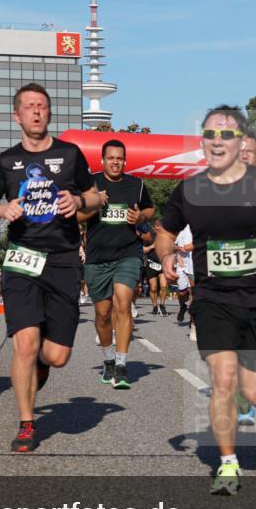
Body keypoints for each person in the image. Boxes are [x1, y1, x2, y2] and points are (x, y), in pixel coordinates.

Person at [157, 105, 256, 495]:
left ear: (242, 143)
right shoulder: (190, 190)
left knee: (253, 393)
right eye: (210, 135)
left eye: (226, 135)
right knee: (221, 379)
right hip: (213, 299)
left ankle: (241, 395)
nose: (217, 141)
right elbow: (165, 232)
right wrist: (166, 255)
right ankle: (228, 463)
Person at [0, 82, 103, 453]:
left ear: (48, 113)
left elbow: (94, 198)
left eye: (42, 106)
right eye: (29, 107)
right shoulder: (6, 161)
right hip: (22, 259)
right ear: (17, 115)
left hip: (62, 260)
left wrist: (78, 199)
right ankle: (27, 424)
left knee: (56, 356)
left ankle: (41, 369)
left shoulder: (70, 154)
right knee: (25, 344)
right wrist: (0, 209)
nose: (36, 112)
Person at [80, 139, 155, 389]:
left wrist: (140, 216)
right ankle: (109, 359)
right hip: (98, 257)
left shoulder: (137, 184)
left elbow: (150, 210)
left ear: (125, 160)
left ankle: (122, 365)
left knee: (123, 303)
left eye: (120, 158)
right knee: (102, 314)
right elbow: (77, 216)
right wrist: (95, 204)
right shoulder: (91, 183)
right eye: (111, 158)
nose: (115, 162)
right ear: (102, 161)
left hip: (128, 253)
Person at [175, 225, 196, 340]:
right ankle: (183, 306)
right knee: (182, 292)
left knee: (194, 293)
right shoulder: (181, 227)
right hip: (182, 264)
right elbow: (175, 245)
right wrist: (178, 255)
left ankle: (193, 323)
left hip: (194, 264)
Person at [144, 221, 169, 316]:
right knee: (153, 288)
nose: (159, 228)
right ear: (154, 227)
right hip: (152, 264)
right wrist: (152, 246)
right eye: (157, 226)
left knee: (163, 286)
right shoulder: (149, 237)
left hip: (163, 264)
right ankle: (154, 306)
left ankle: (162, 305)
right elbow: (143, 250)